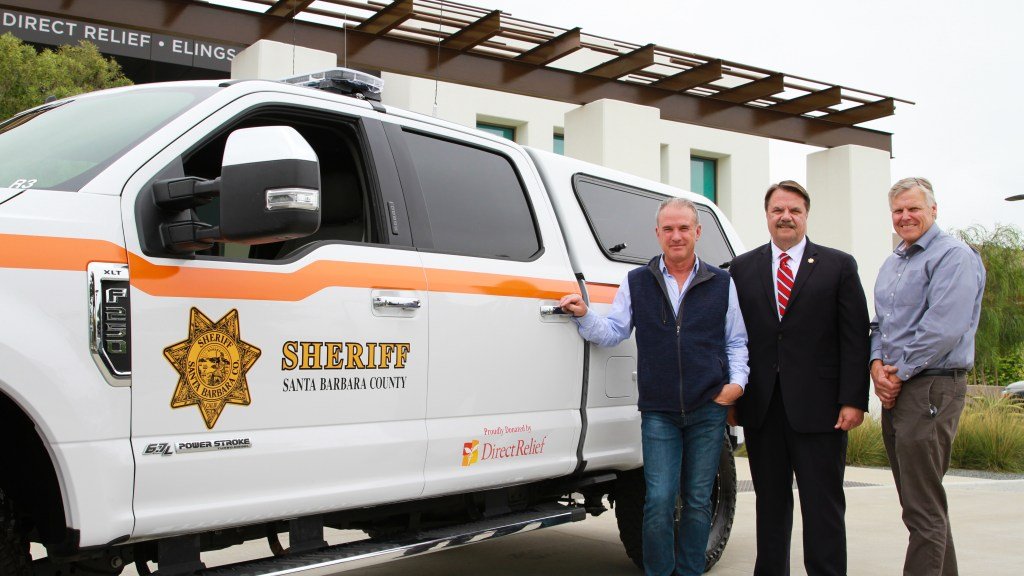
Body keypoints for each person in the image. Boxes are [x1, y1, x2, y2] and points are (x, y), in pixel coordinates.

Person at [559, 197, 748, 576]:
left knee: (697, 500)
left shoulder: (722, 283)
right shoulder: (637, 281)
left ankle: (690, 571)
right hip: (659, 411)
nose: (676, 236)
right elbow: (614, 331)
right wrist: (584, 315)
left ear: (697, 232)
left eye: (684, 228)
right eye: (668, 229)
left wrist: (735, 386)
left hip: (708, 408)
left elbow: (736, 342)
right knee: (659, 499)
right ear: (657, 233)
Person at [728, 180, 869, 576]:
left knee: (823, 505)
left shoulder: (839, 266)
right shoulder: (742, 268)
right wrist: (735, 398)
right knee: (770, 504)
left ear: (806, 215)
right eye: (778, 210)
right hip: (762, 407)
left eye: (794, 210)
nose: (785, 217)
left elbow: (855, 337)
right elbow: (734, 338)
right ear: (767, 215)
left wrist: (853, 399)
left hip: (822, 411)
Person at [870, 177, 985, 576]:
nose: (905, 216)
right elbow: (879, 326)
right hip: (898, 387)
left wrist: (896, 374)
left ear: (933, 210)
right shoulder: (893, 264)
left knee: (922, 509)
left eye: (914, 208)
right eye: (898, 210)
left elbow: (943, 329)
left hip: (931, 386)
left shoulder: (954, 257)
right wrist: (876, 366)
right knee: (921, 504)